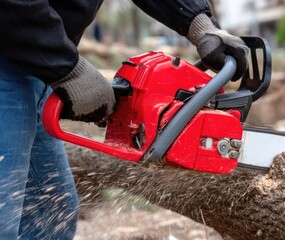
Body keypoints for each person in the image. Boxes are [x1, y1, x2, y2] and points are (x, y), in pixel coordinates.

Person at [0, 1, 249, 239]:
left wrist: (199, 23)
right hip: (12, 54)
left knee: (50, 220)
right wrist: (67, 69)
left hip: (35, 64)